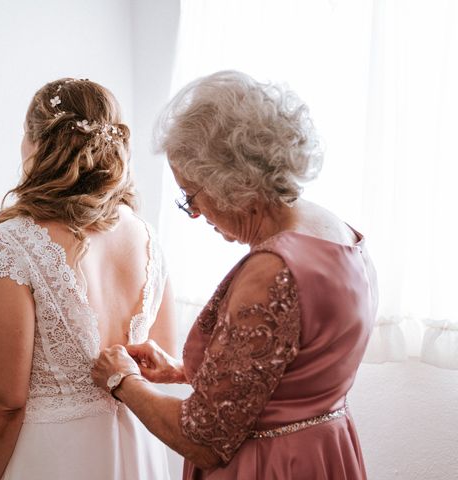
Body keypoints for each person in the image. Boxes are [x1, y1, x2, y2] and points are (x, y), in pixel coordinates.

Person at [92, 70, 378, 479]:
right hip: (323, 452)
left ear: (229, 181)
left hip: (271, 465)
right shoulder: (338, 233)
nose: (195, 213)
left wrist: (123, 381)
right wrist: (183, 371)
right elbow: (295, 367)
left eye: (191, 196)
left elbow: (203, 439)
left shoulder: (272, 272)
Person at [0, 78, 175, 480]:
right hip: (137, 448)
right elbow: (158, 354)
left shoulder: (13, 243)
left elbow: (4, 404)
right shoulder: (145, 235)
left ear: (37, 143)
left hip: (56, 458)